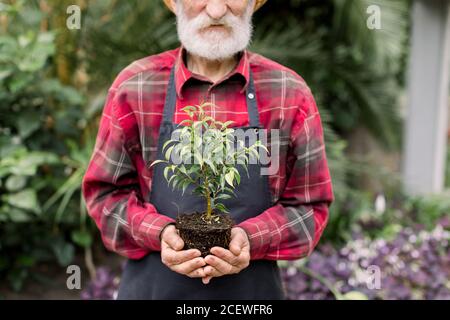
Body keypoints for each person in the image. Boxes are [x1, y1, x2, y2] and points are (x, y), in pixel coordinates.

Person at [82, 0, 334, 299]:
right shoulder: (137, 86)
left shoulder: (287, 92)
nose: (216, 10)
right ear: (173, 3)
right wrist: (159, 234)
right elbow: (105, 195)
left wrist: (250, 239)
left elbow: (309, 207)